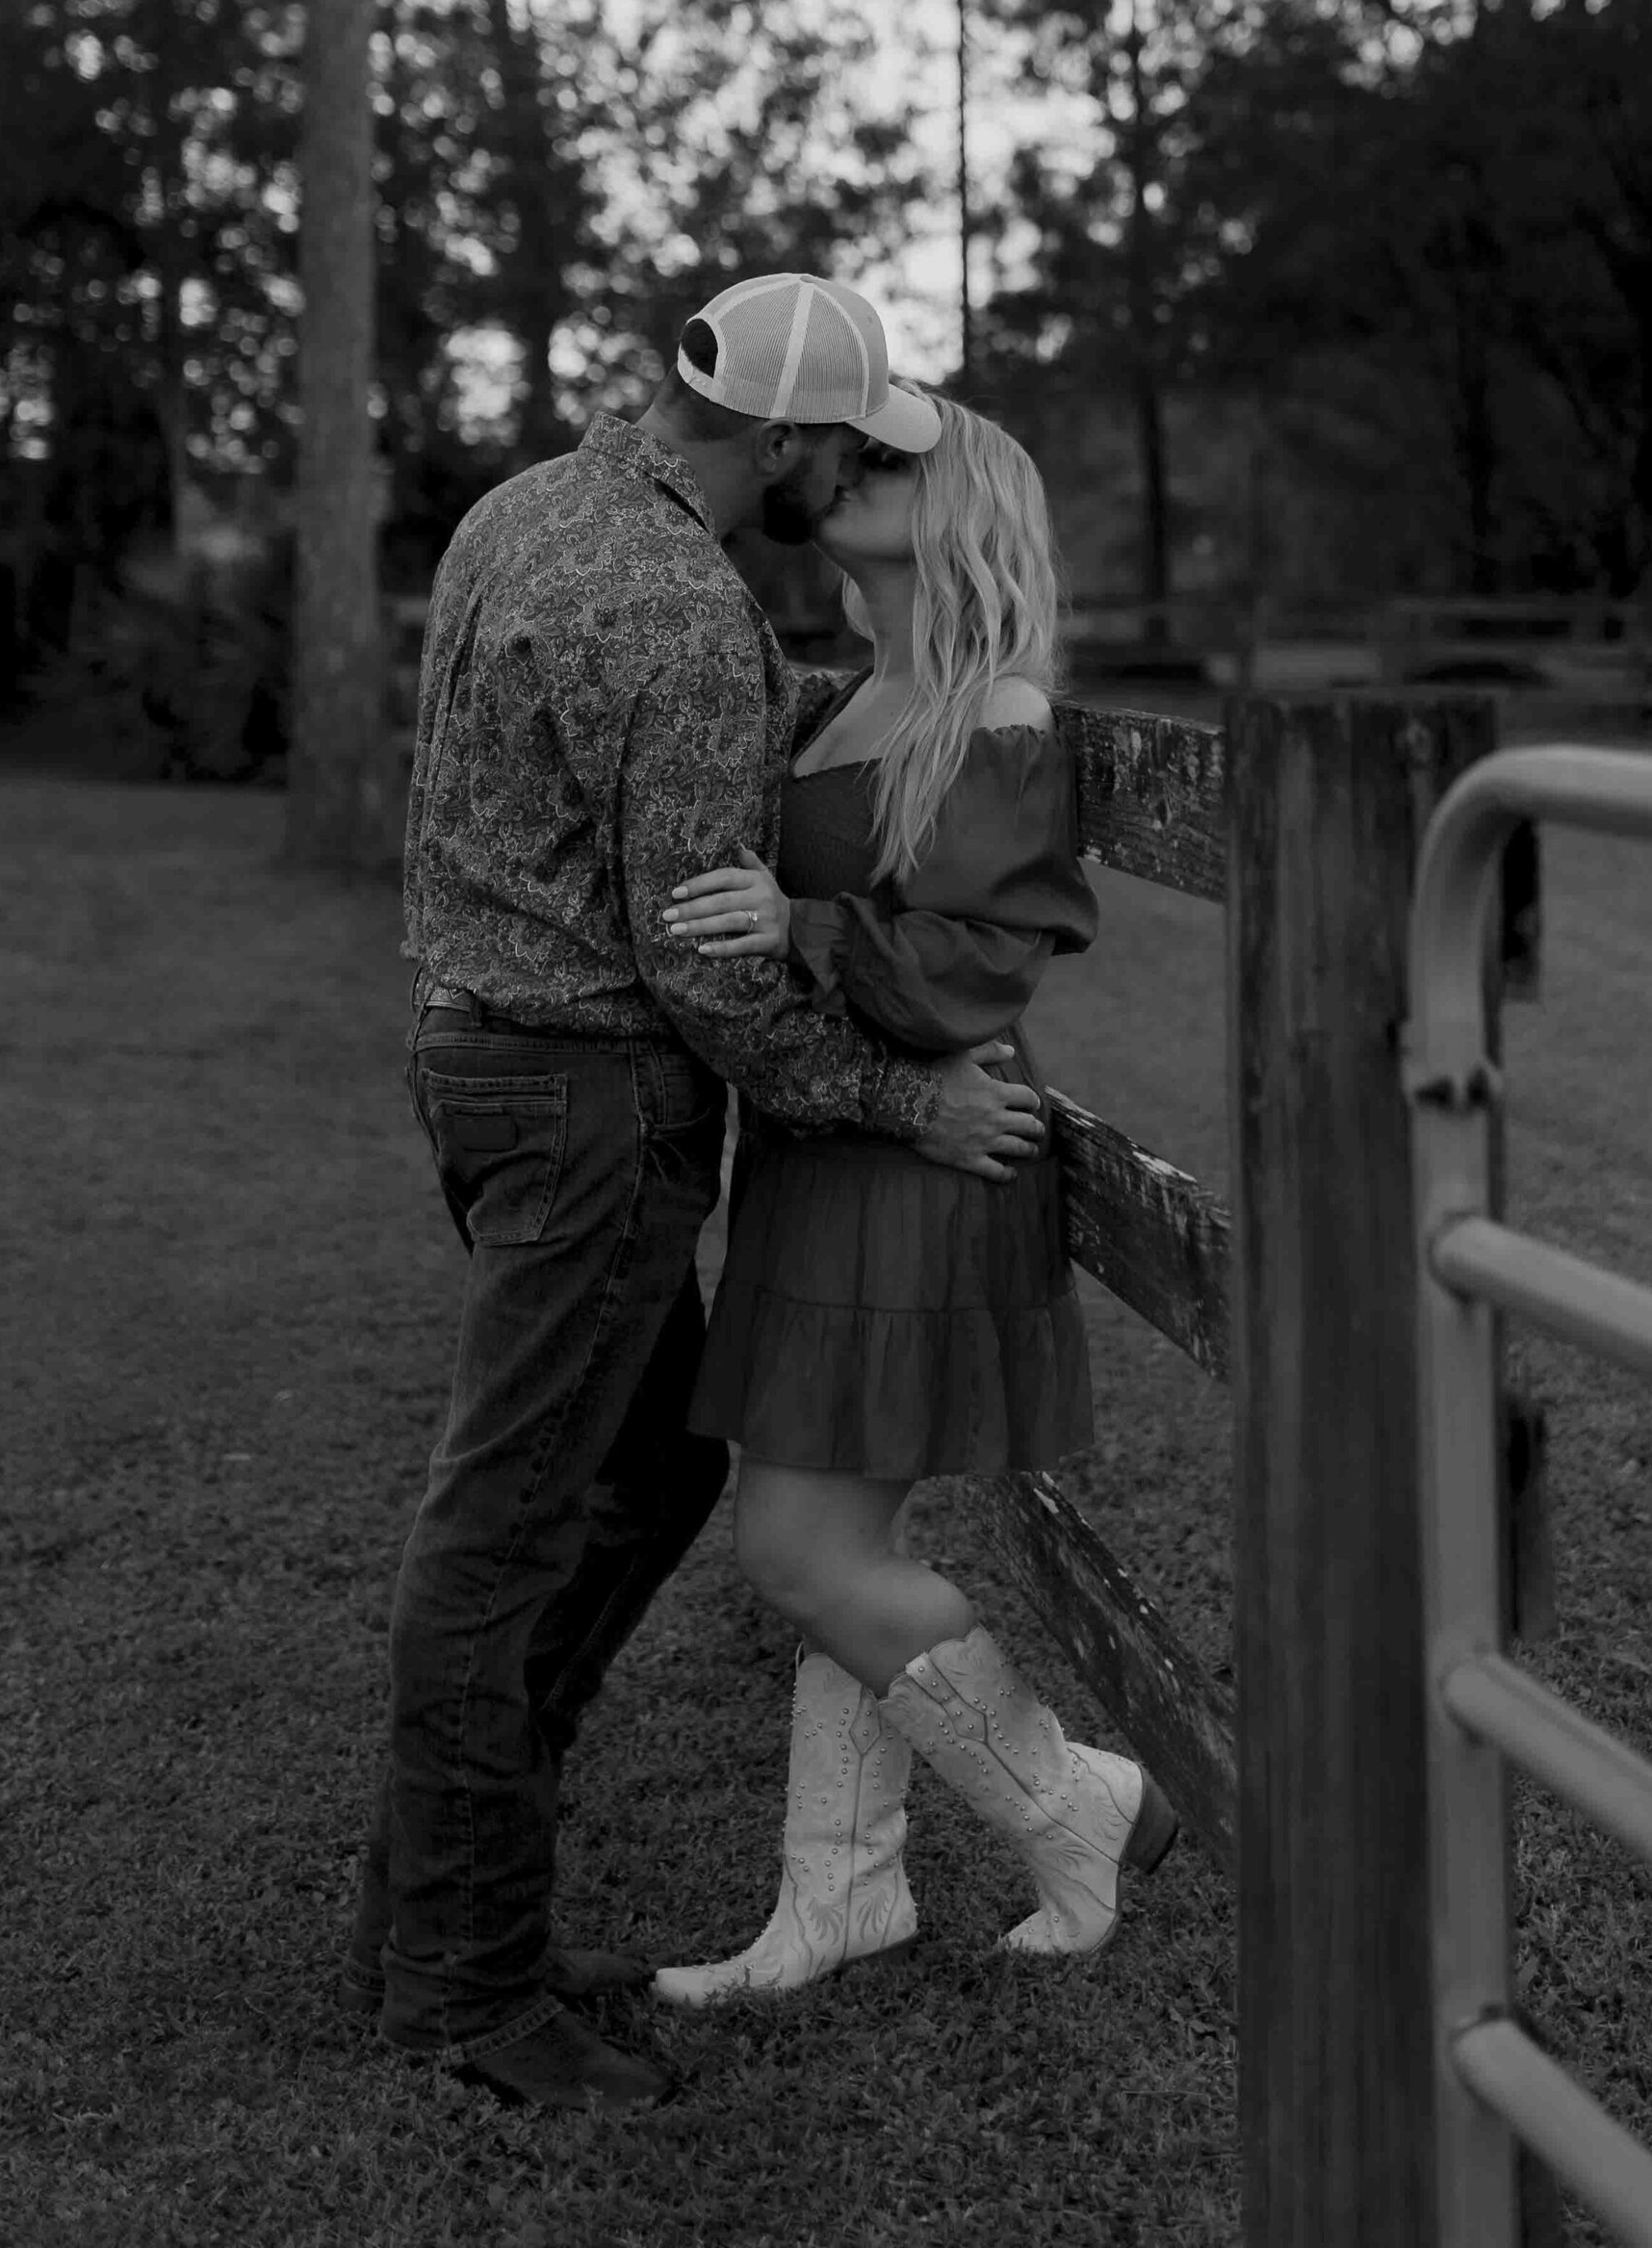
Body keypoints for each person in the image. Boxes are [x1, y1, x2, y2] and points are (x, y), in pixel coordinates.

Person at [345, 272, 1045, 2119]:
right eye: (852, 440)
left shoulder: (530, 508)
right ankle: (465, 1986)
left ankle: (437, 1916)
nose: (856, 468)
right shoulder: (674, 604)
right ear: (798, 440)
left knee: (645, 1474)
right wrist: (904, 1097)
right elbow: (707, 973)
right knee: (507, 1528)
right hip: (588, 1103)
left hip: (486, 1061)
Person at [649, 388, 1177, 2010]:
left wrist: (798, 932)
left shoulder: (995, 706)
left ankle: (1077, 1803)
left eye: (892, 462)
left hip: (928, 1158)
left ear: (965, 512)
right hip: (824, 1153)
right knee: (846, 1536)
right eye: (850, 453)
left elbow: (980, 961)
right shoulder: (852, 699)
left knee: (800, 1543)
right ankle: (842, 1897)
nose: (851, 472)